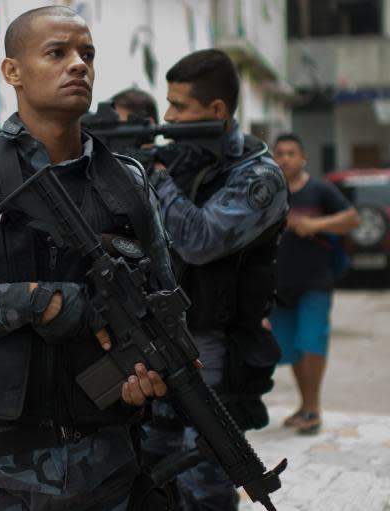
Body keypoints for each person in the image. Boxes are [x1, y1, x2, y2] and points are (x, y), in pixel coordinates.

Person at [0, 6, 181, 510]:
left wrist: (149, 376)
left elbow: (163, 303)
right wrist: (32, 301)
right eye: (57, 53)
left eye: (87, 54)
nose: (79, 66)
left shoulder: (126, 182)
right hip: (0, 474)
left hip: (110, 466)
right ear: (12, 71)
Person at [142, 49, 289, 511]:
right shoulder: (185, 158)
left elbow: (199, 240)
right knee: (152, 466)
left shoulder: (258, 176)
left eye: (179, 106)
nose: (167, 116)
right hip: (162, 336)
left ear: (216, 111)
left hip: (215, 345)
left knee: (204, 476)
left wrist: (156, 178)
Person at [270, 133, 360, 435]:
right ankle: (304, 405)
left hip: (315, 282)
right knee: (293, 347)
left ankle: (314, 408)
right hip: (280, 285)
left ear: (303, 158)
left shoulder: (320, 189)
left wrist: (315, 225)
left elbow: (352, 219)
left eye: (291, 153)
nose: (284, 159)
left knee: (312, 342)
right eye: (279, 153)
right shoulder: (270, 192)